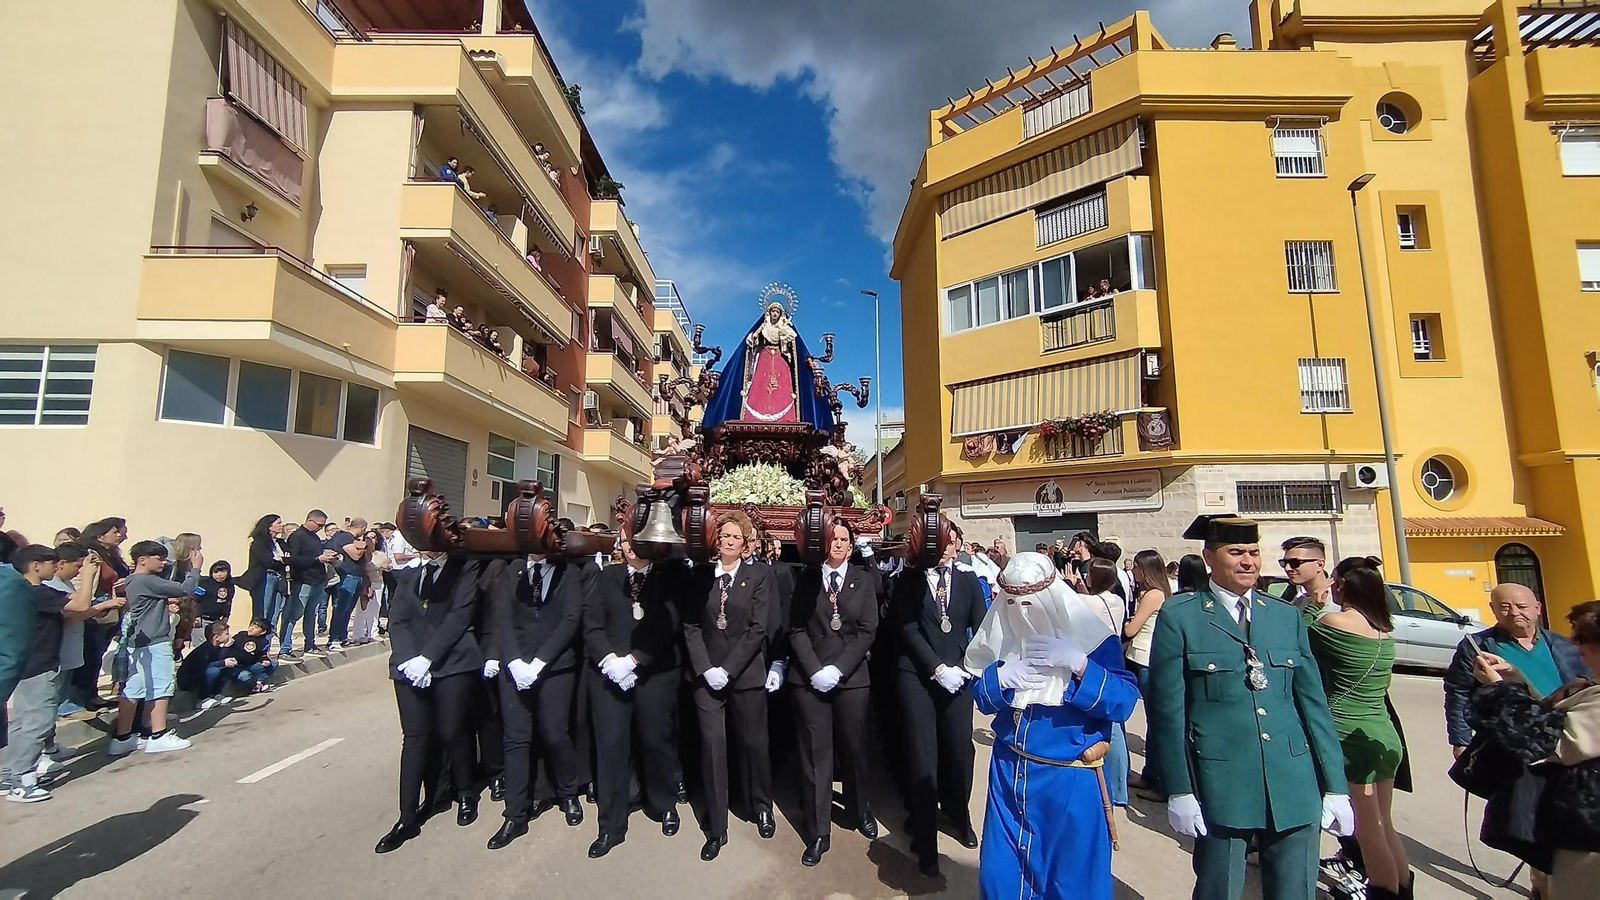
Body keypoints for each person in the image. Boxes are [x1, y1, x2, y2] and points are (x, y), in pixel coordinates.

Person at [1147, 515, 1354, 900]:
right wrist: (1179, 788)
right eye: (1236, 552)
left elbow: (1312, 706)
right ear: (1209, 557)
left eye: (1255, 553)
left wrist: (1336, 786)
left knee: (1295, 891)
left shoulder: (1285, 615)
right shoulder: (1182, 616)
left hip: (1292, 781)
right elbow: (1168, 711)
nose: (1248, 562)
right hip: (1221, 782)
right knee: (1219, 889)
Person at [965, 551, 1137, 899]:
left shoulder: (1094, 638)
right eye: (1012, 601)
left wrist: (1079, 666)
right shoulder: (1003, 634)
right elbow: (981, 695)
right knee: (1002, 873)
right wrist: (1001, 678)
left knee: (1071, 880)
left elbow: (1123, 701)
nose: (1021, 610)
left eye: (1031, 600)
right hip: (1008, 770)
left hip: (1069, 777)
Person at [1467, 600, 1600, 898]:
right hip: (1575, 829)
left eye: (1584, 640)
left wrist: (1500, 691)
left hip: (1588, 839)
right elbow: (1553, 717)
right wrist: (1512, 679)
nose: (1577, 648)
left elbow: (1543, 742)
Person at [1308, 557, 1411, 899]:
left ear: (1340, 586)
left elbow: (1299, 635)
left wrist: (1313, 603)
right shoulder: (1383, 628)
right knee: (1384, 822)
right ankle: (1403, 887)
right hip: (1384, 732)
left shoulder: (1335, 622)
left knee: (1367, 829)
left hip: (1349, 732)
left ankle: (1383, 891)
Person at [892, 528, 988, 876]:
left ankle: (959, 816)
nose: (945, 548)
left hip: (958, 674)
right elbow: (908, 630)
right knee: (923, 753)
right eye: (938, 542)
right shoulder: (909, 580)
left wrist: (967, 667)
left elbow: (981, 628)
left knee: (960, 749)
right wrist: (935, 668)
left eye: (949, 542)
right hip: (918, 675)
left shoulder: (967, 580)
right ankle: (924, 836)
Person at [375, 551, 485, 854]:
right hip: (410, 665)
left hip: (452, 661)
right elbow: (398, 620)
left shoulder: (465, 567)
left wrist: (428, 658)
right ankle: (407, 816)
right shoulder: (409, 574)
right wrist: (411, 660)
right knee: (414, 739)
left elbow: (459, 616)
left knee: (453, 731)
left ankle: (464, 791)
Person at [581, 539, 685, 858]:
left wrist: (635, 660)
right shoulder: (607, 577)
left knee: (656, 740)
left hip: (654, 671)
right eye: (623, 541)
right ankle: (611, 824)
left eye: (633, 540)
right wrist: (611, 661)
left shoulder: (668, 577)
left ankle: (663, 802)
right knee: (611, 744)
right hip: (610, 672)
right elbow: (592, 624)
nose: (628, 546)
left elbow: (669, 626)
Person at [683, 511, 776, 861]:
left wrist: (730, 668)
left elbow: (758, 627)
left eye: (735, 537)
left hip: (746, 673)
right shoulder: (702, 575)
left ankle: (761, 805)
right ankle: (716, 827)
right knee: (712, 746)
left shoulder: (759, 575)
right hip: (707, 676)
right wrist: (707, 669)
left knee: (753, 743)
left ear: (745, 543)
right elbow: (690, 625)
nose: (727, 541)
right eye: (723, 535)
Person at [787, 520, 880, 866]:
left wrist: (838, 669)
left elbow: (868, 630)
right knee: (815, 754)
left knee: (854, 748)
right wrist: (815, 670)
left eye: (844, 539)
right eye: (833, 539)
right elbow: (795, 628)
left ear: (851, 546)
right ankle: (818, 830)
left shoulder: (864, 580)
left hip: (851, 677)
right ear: (824, 543)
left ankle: (859, 809)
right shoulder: (807, 578)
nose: (838, 544)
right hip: (810, 680)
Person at [484, 545, 589, 850]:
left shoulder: (569, 573)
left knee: (556, 735)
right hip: (514, 666)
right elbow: (501, 618)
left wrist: (541, 661)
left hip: (555, 665)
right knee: (516, 740)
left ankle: (567, 794)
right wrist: (514, 661)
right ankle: (515, 814)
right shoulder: (508, 572)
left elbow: (570, 619)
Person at [1445, 583, 1591, 757]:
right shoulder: (1477, 647)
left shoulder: (1566, 645)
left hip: (1559, 734)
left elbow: (1585, 688)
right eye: (1505, 607)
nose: (1514, 613)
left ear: (1538, 608)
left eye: (1521, 606)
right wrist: (1461, 741)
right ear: (1493, 609)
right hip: (1506, 739)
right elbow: (1458, 694)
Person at [4, 545, 98, 802]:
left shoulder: (18, 592)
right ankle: (20, 780)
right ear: (35, 565)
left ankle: (8, 774)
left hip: (24, 663)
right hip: (40, 664)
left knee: (22, 722)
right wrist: (88, 574)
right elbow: (80, 604)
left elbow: (66, 616)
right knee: (39, 722)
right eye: (51, 562)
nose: (55, 567)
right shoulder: (37, 591)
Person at [109, 540, 203, 757]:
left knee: (133, 689)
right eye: (158, 558)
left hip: (137, 642)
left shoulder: (134, 580)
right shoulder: (147, 580)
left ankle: (123, 738)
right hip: (155, 641)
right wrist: (195, 567)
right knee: (160, 687)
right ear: (142, 560)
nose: (163, 562)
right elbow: (185, 589)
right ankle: (158, 735)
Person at [1079, 557, 1130, 807]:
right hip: (1115, 655)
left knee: (1108, 726)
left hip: (1096, 658)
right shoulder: (1117, 600)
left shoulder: (1087, 601)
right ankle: (1120, 785)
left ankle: (1111, 788)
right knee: (1118, 726)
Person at [1123, 548, 1170, 800]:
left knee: (1155, 721)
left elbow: (1132, 629)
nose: (1133, 571)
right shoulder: (1155, 592)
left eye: (1137, 567)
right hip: (1144, 657)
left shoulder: (1153, 594)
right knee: (1152, 720)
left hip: (1145, 656)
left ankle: (1158, 780)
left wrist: (1128, 620)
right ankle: (1150, 774)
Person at [75, 517, 130, 711]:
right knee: (89, 654)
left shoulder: (111, 555)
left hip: (111, 610)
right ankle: (81, 698)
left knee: (98, 654)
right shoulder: (92, 555)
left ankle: (92, 695)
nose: (120, 535)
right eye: (114, 532)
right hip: (96, 610)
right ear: (100, 536)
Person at [283, 510, 339, 661]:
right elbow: (294, 559)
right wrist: (316, 559)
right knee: (293, 615)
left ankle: (310, 645)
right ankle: (285, 648)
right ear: (310, 520)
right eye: (319, 525)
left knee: (311, 614)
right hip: (302, 581)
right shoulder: (297, 537)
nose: (321, 528)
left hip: (317, 580)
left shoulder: (315, 537)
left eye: (323, 525)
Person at [327, 517, 370, 651]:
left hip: (357, 576)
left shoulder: (354, 540)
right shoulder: (345, 537)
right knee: (341, 608)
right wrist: (362, 546)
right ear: (362, 527)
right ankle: (333, 639)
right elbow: (355, 555)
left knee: (348, 609)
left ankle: (342, 636)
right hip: (347, 576)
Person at [238, 514, 288, 625]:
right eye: (279, 523)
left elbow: (290, 558)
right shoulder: (259, 543)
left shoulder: (280, 543)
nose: (281, 525)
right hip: (265, 579)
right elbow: (267, 561)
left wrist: (282, 560)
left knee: (274, 613)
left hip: (280, 578)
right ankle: (255, 640)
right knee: (262, 612)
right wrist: (282, 561)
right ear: (270, 526)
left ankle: (267, 641)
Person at [1279, 536, 1334, 619]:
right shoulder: (1297, 602)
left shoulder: (1337, 601)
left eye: (1295, 563)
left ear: (1319, 565)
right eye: (1284, 563)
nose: (1287, 568)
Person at [351, 549, 386, 645]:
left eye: (373, 537)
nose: (371, 540)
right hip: (366, 583)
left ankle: (373, 633)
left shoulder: (379, 554)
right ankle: (358, 635)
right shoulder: (362, 554)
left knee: (375, 609)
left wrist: (386, 565)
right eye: (368, 537)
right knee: (361, 610)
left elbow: (387, 565)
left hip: (378, 582)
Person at [195, 561, 234, 646]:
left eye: (222, 571)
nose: (219, 575)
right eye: (216, 572)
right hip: (202, 619)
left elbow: (228, 602)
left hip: (216, 620)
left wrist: (226, 616)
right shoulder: (204, 583)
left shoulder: (230, 586)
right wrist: (196, 615)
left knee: (214, 645)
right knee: (200, 645)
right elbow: (195, 600)